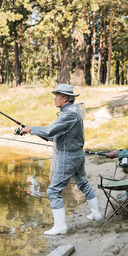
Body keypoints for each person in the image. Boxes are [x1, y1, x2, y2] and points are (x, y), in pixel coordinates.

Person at [20, 84, 101, 235]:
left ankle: (60, 227)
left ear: (65, 98)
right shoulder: (72, 111)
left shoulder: (69, 114)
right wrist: (34, 132)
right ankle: (97, 214)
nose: (55, 98)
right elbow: (55, 134)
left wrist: (31, 128)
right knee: (82, 182)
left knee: (54, 190)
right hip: (77, 154)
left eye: (57, 95)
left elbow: (51, 130)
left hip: (68, 156)